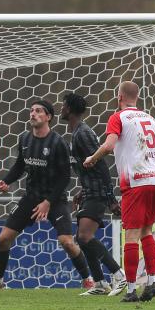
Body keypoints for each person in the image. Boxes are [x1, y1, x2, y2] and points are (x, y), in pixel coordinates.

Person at [84, 81, 155, 303]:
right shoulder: (152, 119)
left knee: (132, 235)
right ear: (138, 97)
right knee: (147, 231)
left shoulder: (119, 117)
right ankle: (152, 284)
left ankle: (132, 289)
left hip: (137, 181)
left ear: (119, 97)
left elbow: (108, 145)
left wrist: (92, 159)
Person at [0, 99, 94, 290]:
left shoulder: (58, 143)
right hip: (31, 196)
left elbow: (65, 178)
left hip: (55, 199)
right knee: (3, 238)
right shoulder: (25, 139)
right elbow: (20, 165)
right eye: (31, 110)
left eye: (38, 111)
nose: (33, 114)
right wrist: (7, 180)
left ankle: (88, 279)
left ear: (48, 117)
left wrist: (48, 202)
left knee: (66, 242)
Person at [60, 92, 127, 296]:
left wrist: (111, 200)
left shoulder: (83, 133)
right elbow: (88, 168)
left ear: (69, 109)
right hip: (90, 191)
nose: (61, 109)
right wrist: (82, 189)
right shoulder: (77, 133)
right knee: (82, 239)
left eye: (63, 105)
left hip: (98, 193)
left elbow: (101, 166)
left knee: (85, 237)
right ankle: (99, 283)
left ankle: (119, 275)